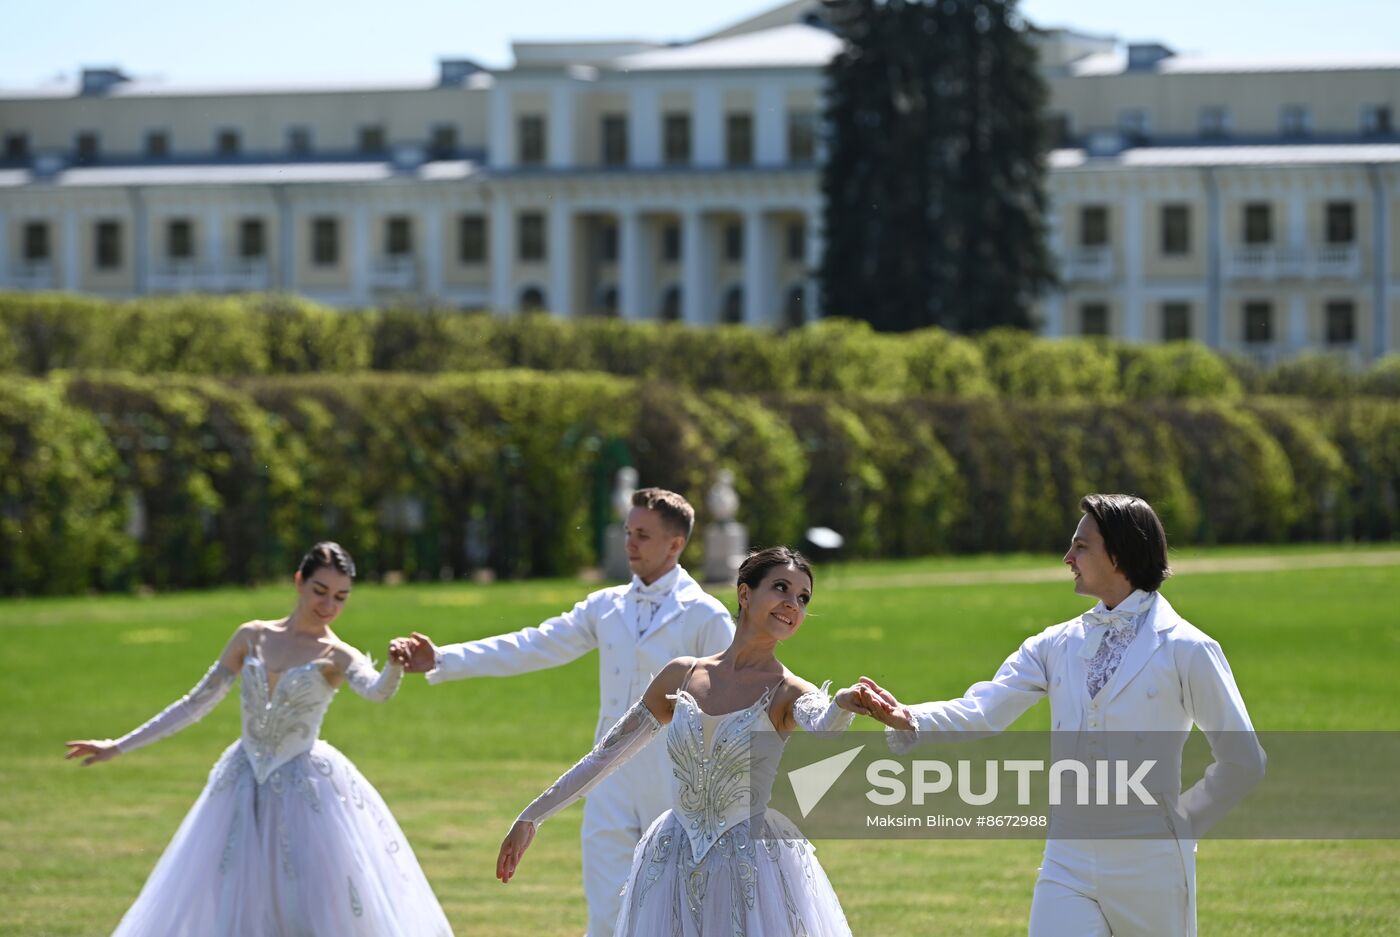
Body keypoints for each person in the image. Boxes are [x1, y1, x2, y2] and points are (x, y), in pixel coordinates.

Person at [862, 494, 1266, 937]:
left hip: (1151, 862)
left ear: (1119, 553)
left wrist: (1182, 824)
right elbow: (984, 707)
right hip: (1067, 856)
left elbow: (1243, 759)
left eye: (1081, 546)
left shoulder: (1189, 648)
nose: (1067, 557)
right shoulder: (1055, 644)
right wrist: (909, 717)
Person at [495, 546, 891, 936]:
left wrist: (843, 702)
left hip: (750, 867)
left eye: (803, 598)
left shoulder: (788, 690)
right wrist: (533, 815)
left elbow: (825, 724)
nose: (793, 604)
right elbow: (606, 756)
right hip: (671, 859)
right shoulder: (680, 676)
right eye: (782, 588)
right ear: (744, 593)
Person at [393, 487, 735, 936]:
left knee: (681, 906)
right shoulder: (605, 605)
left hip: (677, 778)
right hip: (608, 776)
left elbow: (740, 694)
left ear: (676, 544)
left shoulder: (705, 615)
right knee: (606, 909)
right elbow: (534, 643)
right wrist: (443, 659)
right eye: (628, 532)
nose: (630, 543)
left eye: (643, 536)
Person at [65, 542, 453, 937]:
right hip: (241, 783)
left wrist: (393, 666)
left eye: (340, 597)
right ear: (299, 581)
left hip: (304, 792)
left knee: (304, 902)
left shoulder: (337, 654)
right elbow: (195, 703)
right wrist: (118, 745)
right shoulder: (252, 636)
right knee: (231, 896)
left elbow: (377, 692)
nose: (329, 606)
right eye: (320, 591)